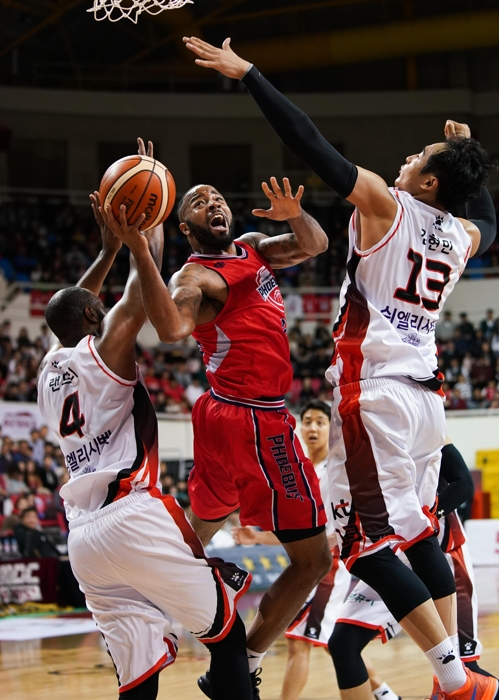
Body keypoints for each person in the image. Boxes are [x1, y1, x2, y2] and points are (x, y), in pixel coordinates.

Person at [182, 37, 498, 700]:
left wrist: (250, 75)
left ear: (428, 183)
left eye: (420, 159)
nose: (407, 159)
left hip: (374, 394)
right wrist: (469, 161)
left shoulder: (385, 204)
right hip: (424, 404)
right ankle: (459, 666)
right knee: (412, 529)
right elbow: (485, 222)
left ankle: (452, 677)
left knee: (361, 545)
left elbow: (309, 142)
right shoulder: (459, 236)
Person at [37, 139, 253, 700]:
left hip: (83, 539)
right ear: (93, 315)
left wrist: (107, 248)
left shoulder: (48, 367)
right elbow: (141, 287)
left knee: (139, 680)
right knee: (228, 634)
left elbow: (74, 305)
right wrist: (142, 225)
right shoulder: (107, 347)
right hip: (133, 512)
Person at [103, 176, 333, 694]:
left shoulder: (251, 250)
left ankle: (138, 620)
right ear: (186, 228)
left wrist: (294, 212)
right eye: (201, 202)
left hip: (222, 414)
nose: (215, 203)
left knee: (198, 533)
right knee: (315, 560)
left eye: (219, 198)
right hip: (255, 421)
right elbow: (170, 331)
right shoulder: (195, 278)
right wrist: (141, 248)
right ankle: (240, 666)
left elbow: (315, 244)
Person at [231, 400, 400, 700]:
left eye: (320, 422)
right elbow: (301, 535)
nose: (312, 427)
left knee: (299, 642)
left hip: (328, 566)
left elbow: (330, 531)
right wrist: (257, 538)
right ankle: (386, 695)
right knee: (337, 641)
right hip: (312, 562)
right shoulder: (301, 470)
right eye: (307, 421)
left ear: (330, 428)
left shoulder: (335, 470)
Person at [329, 442, 497, 692]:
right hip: (387, 559)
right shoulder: (358, 437)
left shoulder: (426, 425)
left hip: (440, 556)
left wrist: (426, 519)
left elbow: (463, 484)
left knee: (462, 671)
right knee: (343, 642)